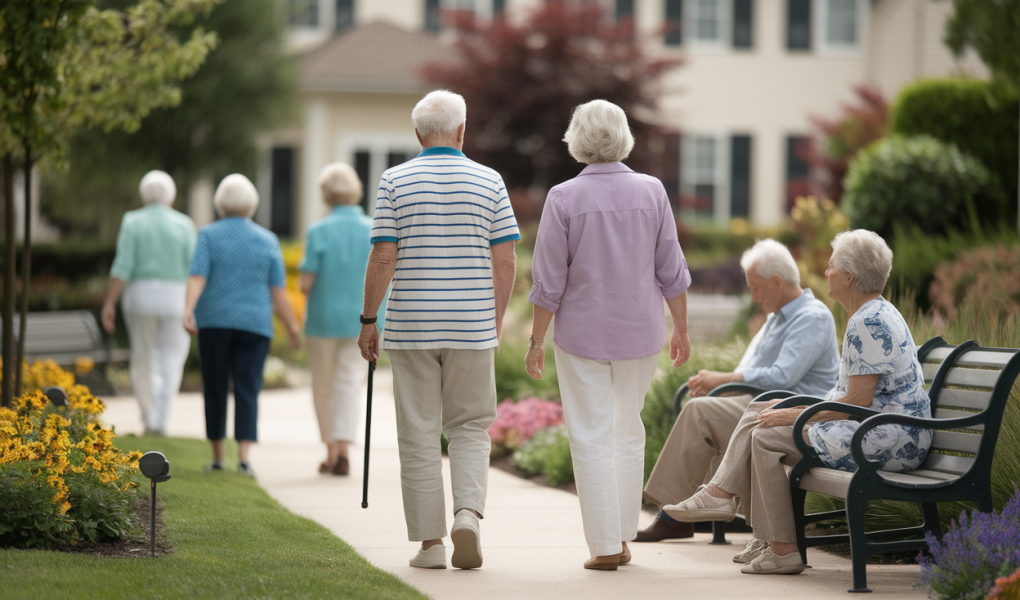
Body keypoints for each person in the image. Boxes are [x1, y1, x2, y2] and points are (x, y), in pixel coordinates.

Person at [663, 229, 933, 575]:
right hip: (876, 427)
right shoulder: (872, 313)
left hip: (890, 438)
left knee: (766, 436)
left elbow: (859, 401)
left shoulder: (869, 321)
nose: (826, 273)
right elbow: (853, 399)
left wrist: (802, 416)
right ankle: (742, 515)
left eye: (833, 266)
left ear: (849, 277)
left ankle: (776, 543)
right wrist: (793, 412)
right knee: (761, 411)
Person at [524, 99, 693, 571]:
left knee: (591, 434)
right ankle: (620, 536)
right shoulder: (653, 191)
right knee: (627, 430)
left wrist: (536, 341)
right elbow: (672, 270)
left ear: (576, 140)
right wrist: (681, 327)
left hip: (581, 337)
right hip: (641, 334)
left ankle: (605, 546)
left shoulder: (563, 198)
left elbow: (547, 281)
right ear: (623, 137)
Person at [357, 90, 519, 570]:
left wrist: (369, 319)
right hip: (471, 324)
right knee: (470, 427)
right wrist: (495, 319)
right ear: (463, 130)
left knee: (419, 432)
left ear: (417, 134)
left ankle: (430, 545)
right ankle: (467, 514)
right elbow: (505, 258)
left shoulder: (394, 181)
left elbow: (383, 255)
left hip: (412, 326)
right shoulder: (490, 181)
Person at [636, 239, 839, 554]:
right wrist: (723, 384)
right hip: (758, 405)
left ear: (777, 281)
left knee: (699, 412)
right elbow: (750, 369)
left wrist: (725, 379)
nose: (754, 296)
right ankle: (678, 512)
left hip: (789, 412)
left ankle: (676, 513)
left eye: (757, 288)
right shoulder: (777, 317)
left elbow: (783, 377)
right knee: (700, 408)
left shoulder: (812, 317)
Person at [182, 174, 301, 477]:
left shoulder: (208, 235)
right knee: (248, 389)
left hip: (214, 322)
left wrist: (188, 309)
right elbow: (278, 291)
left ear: (220, 203)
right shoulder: (267, 239)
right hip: (255, 324)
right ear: (252, 203)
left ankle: (219, 457)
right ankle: (244, 459)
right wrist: (291, 327)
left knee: (215, 386)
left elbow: (198, 275)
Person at [299, 162, 385, 476]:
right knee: (350, 384)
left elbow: (306, 282)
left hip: (322, 321)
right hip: (362, 320)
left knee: (323, 386)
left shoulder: (318, 229)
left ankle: (331, 451)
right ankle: (346, 448)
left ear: (325, 194)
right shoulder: (372, 227)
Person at [102, 170, 196, 436]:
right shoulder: (184, 224)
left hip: (139, 296)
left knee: (143, 359)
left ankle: (148, 416)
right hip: (175, 297)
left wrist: (110, 302)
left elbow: (123, 265)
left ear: (144, 195)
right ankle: (161, 420)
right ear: (172, 196)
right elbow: (194, 269)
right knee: (172, 359)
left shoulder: (132, 221)